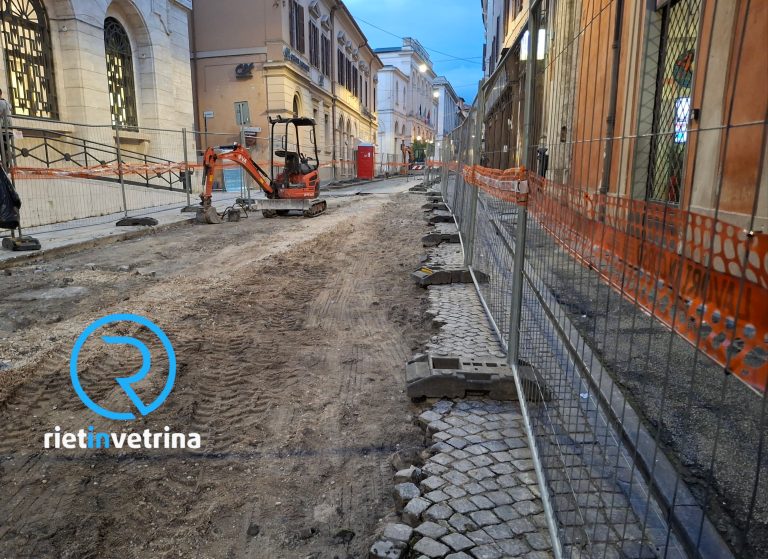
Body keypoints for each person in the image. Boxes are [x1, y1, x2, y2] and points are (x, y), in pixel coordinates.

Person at [0, 89, 13, 169]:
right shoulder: (7, 103)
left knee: (3, 149)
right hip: (8, 130)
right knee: (5, 149)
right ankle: (7, 168)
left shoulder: (1, 103)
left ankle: (5, 169)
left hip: (2, 129)